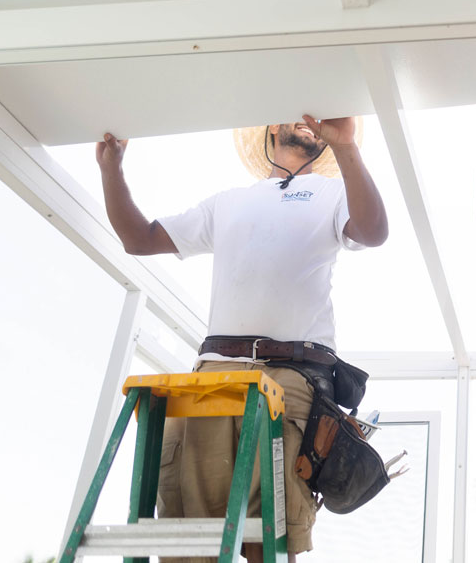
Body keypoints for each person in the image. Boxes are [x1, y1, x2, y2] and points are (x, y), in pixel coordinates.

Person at [95, 116, 388, 563]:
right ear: (271, 127)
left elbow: (373, 232)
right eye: (296, 108)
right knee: (190, 539)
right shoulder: (227, 203)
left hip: (291, 381)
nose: (309, 117)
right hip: (213, 375)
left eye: (318, 114)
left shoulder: (334, 193)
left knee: (264, 542)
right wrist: (111, 169)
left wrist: (346, 146)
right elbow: (139, 238)